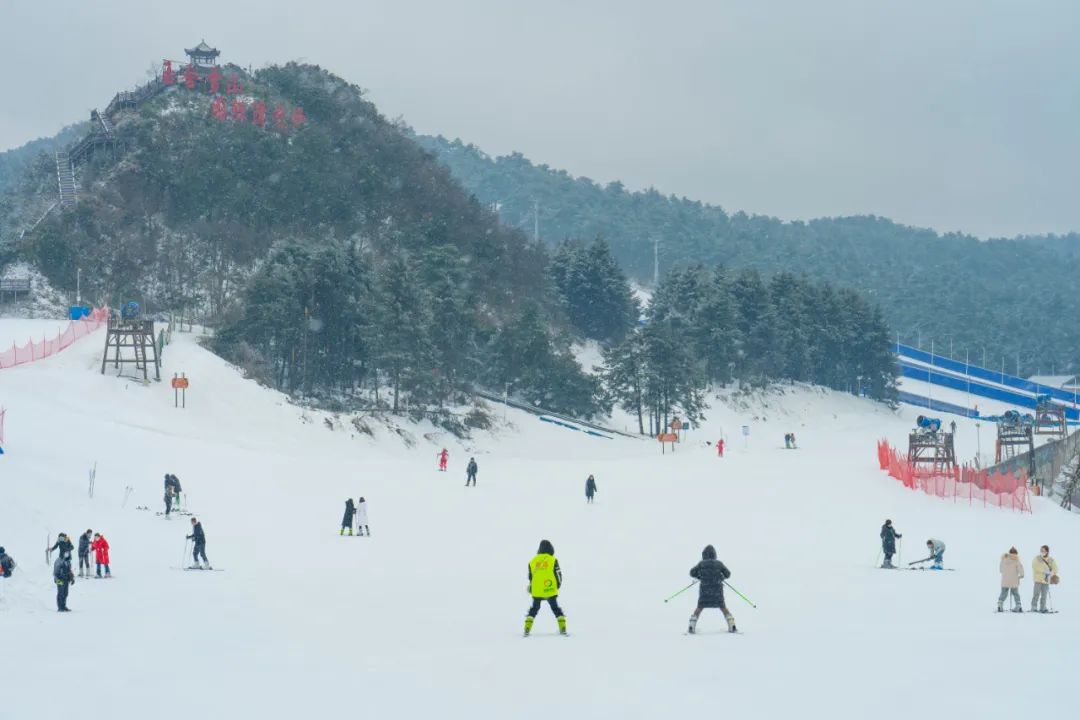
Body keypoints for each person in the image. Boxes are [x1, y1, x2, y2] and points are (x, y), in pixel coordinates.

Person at [688, 545, 737, 634]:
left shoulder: (701, 564)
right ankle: (732, 625)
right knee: (723, 607)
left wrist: (700, 576)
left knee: (699, 608)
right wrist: (721, 577)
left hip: (704, 592)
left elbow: (692, 572)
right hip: (717, 592)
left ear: (704, 555)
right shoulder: (719, 564)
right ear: (714, 554)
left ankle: (691, 626)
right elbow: (728, 574)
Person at [524, 539, 566, 637]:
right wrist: (557, 586)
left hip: (537, 590)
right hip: (550, 588)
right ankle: (563, 627)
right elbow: (558, 574)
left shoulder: (532, 561)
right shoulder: (553, 560)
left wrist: (533, 588)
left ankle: (527, 628)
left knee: (534, 609)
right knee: (555, 608)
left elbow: (530, 577)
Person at [1031, 545, 1059, 613]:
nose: (1042, 552)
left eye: (1043, 551)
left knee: (1044, 595)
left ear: (1047, 551)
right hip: (1038, 579)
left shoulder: (1051, 560)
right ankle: (1034, 607)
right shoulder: (1037, 558)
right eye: (1041, 550)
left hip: (1046, 580)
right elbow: (1034, 566)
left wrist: (1051, 572)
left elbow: (1055, 569)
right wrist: (1044, 571)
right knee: (1036, 594)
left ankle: (1042, 607)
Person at [998, 547, 1024, 612]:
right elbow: (1020, 569)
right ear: (1016, 553)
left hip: (1005, 580)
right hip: (1014, 580)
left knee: (1003, 593)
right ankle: (1018, 605)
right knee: (1015, 593)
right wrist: (1021, 575)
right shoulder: (1016, 561)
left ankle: (1000, 605)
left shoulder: (1003, 560)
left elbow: (1001, 570)